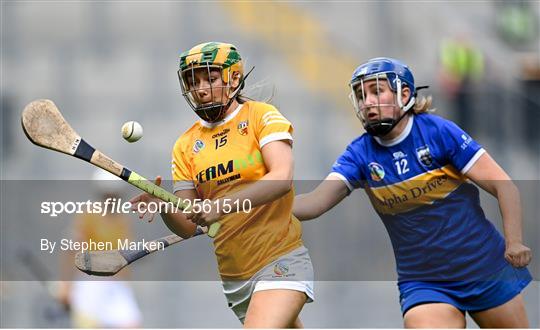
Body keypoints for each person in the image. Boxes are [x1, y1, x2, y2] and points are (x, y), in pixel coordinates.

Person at [293, 57, 532, 328]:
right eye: (361, 95)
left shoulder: (439, 132)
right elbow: (315, 202)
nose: (367, 102)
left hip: (485, 268)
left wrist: (514, 242)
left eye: (376, 91)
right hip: (425, 282)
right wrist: (260, 204)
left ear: (404, 94)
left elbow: (504, 185)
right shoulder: (360, 154)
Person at [130, 42, 313, 327]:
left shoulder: (261, 117)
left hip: (280, 259)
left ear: (234, 79)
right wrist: (166, 204)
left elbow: (281, 178)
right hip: (235, 277)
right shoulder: (185, 145)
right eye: (193, 82)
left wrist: (220, 206)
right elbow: (190, 225)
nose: (200, 89)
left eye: (210, 79)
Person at [58, 169, 142, 328]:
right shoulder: (88, 216)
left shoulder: (123, 221)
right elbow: (72, 248)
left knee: (132, 324)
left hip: (117, 283)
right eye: (108, 194)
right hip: (90, 283)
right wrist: (66, 286)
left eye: (114, 194)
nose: (111, 198)